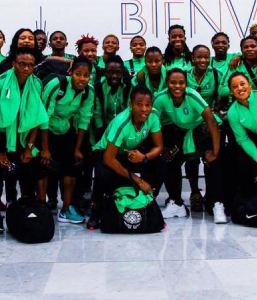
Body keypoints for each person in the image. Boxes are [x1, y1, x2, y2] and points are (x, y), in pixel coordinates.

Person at [0, 47, 49, 234]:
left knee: (28, 175)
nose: (26, 68)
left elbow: (37, 117)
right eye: (22, 64)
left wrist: (29, 148)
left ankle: (24, 213)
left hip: (25, 136)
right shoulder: (0, 82)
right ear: (14, 63)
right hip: (2, 136)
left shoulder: (36, 83)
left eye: (30, 65)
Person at [87, 85, 166, 230]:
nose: (144, 109)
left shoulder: (153, 116)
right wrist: (138, 181)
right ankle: (96, 206)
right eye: (139, 104)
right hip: (106, 152)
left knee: (160, 163)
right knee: (103, 173)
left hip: (129, 152)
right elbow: (108, 159)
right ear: (131, 104)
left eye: (148, 105)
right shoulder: (121, 122)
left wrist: (144, 157)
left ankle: (149, 203)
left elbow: (159, 147)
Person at [154, 68, 221, 219]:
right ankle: (177, 204)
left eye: (181, 83)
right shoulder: (160, 98)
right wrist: (162, 147)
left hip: (203, 130)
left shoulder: (192, 95)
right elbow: (153, 124)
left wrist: (215, 152)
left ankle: (217, 204)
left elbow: (211, 121)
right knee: (170, 161)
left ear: (186, 84)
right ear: (167, 83)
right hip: (185, 132)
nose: (177, 86)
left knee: (213, 161)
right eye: (173, 83)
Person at [40, 56, 95, 224]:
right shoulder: (57, 84)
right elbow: (43, 116)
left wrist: (77, 149)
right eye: (78, 74)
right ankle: (41, 209)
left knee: (71, 170)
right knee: (42, 169)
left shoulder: (89, 92)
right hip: (46, 130)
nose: (82, 79)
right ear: (71, 73)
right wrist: (45, 148)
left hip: (66, 129)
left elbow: (84, 120)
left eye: (86, 75)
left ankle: (66, 210)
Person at [185, 44, 223, 212]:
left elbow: (223, 96)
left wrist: (216, 108)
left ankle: (210, 195)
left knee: (209, 157)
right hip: (189, 122)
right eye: (199, 57)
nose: (203, 60)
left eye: (206, 57)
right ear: (192, 58)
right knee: (191, 158)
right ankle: (195, 193)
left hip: (208, 124)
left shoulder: (216, 74)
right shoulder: (184, 75)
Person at [93, 55, 131, 138]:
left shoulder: (128, 86)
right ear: (105, 72)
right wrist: (102, 135)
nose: (114, 76)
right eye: (110, 72)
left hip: (124, 127)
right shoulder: (99, 87)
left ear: (122, 72)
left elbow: (130, 110)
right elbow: (97, 114)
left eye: (118, 73)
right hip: (104, 128)